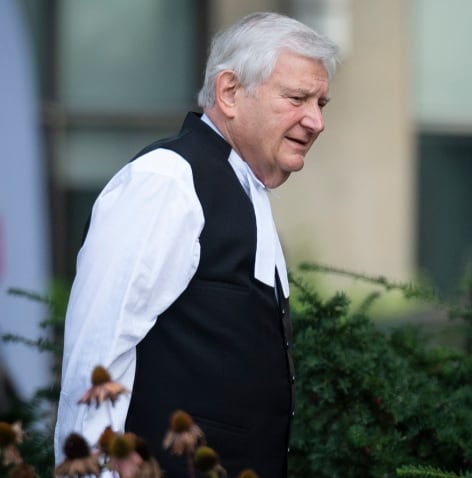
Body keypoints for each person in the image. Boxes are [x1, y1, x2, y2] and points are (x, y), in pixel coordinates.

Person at [54, 12, 338, 477]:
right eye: (297, 99)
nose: (316, 121)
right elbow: (97, 354)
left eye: (322, 103)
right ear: (229, 92)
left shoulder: (244, 188)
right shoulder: (165, 181)